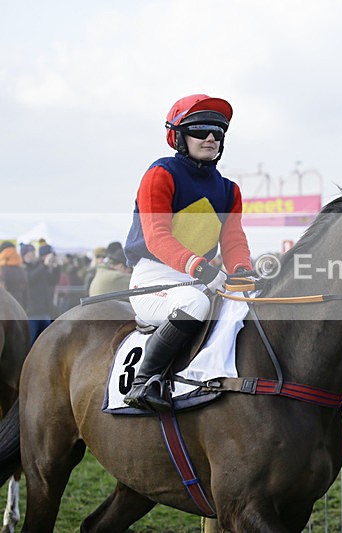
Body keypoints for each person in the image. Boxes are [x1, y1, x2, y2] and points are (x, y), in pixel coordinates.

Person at [122, 94, 253, 412]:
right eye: (201, 130)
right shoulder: (160, 174)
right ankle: (144, 382)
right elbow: (157, 237)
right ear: (178, 136)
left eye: (218, 132)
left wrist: (242, 272)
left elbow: (233, 238)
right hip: (155, 277)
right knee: (196, 303)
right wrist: (201, 267)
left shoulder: (229, 189)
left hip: (199, 276)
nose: (211, 137)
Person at [22, 242, 61, 345]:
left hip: (45, 311)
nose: (33, 255)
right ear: (24, 255)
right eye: (30, 252)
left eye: (33, 252)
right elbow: (30, 279)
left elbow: (53, 281)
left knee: (46, 344)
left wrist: (56, 267)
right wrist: (44, 265)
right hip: (31, 313)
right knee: (31, 343)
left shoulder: (40, 267)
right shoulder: (23, 268)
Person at [0, 241, 29, 308]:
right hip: (19, 308)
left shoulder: (2, 269)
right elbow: (26, 294)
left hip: (4, 309)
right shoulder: (22, 270)